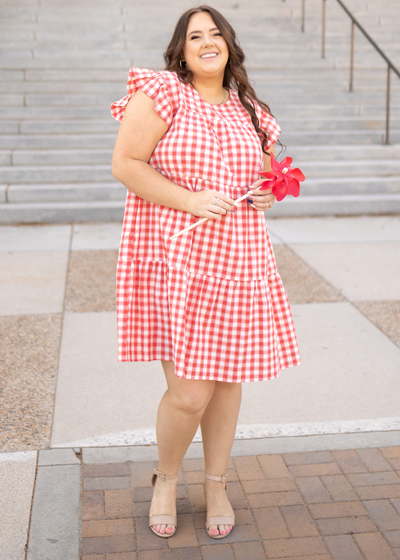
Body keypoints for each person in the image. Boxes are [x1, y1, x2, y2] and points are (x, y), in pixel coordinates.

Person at [111, 5, 300, 540]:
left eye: (216, 33)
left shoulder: (250, 108)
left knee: (226, 386)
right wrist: (190, 200)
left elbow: (264, 176)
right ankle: (166, 479)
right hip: (176, 261)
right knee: (191, 392)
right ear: (183, 48)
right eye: (196, 35)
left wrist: (266, 193)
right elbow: (126, 163)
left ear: (229, 43)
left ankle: (215, 482)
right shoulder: (164, 93)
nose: (207, 41)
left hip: (238, 260)